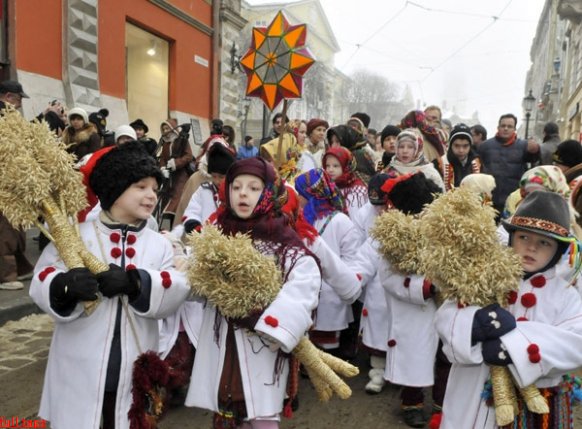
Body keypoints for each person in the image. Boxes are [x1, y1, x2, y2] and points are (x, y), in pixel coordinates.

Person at [29, 141, 190, 429]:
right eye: (141, 186)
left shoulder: (158, 245)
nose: (151, 195)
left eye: (154, 188)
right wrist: (64, 286)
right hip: (79, 367)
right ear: (114, 190)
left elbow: (177, 286)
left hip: (133, 368)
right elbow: (42, 277)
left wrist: (136, 282)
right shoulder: (77, 237)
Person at [185, 157, 321, 429]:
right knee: (226, 402)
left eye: (253, 187)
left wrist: (269, 320)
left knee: (260, 411)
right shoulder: (217, 233)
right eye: (236, 187)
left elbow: (304, 284)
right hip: (223, 342)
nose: (243, 194)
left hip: (262, 344)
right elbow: (196, 281)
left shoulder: (282, 240)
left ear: (268, 192)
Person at [435, 190, 582, 428]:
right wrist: (472, 323)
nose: (531, 248)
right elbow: (446, 315)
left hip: (538, 398)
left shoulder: (565, 293)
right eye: (524, 237)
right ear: (511, 237)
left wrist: (514, 346)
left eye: (544, 242)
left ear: (558, 250)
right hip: (474, 391)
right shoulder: (483, 273)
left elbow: (575, 342)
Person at [294, 168, 360, 356]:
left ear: (312, 194)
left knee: (328, 348)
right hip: (308, 291)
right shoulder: (301, 219)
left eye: (301, 193)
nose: (298, 198)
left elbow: (351, 258)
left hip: (332, 294)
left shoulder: (340, 221)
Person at [0, 80, 34, 290]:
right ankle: (7, 276)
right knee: (6, 228)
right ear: (8, 97)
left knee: (15, 226)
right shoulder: (4, 117)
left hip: (13, 180)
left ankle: (19, 269)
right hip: (5, 181)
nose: (20, 104)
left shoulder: (10, 117)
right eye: (19, 99)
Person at [478, 113, 540, 216]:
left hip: (513, 201)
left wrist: (536, 151)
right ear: (498, 127)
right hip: (489, 200)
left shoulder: (524, 146)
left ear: (514, 129)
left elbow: (534, 162)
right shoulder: (485, 146)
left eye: (509, 126)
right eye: (503, 126)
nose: (506, 129)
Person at [158, 118, 194, 228]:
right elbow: (163, 159)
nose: (165, 130)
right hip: (169, 180)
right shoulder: (165, 144)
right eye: (163, 129)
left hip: (181, 178)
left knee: (173, 206)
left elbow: (188, 156)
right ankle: (164, 230)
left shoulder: (182, 141)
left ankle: (168, 229)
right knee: (164, 203)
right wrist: (163, 168)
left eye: (167, 128)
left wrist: (176, 163)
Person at [322, 147, 368, 218]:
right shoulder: (327, 187)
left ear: (345, 167)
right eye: (327, 166)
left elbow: (355, 221)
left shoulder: (357, 190)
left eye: (335, 166)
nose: (330, 170)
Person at [440, 123, 482, 191]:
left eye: (465, 146)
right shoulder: (440, 164)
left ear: (470, 146)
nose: (461, 150)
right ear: (450, 145)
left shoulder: (478, 162)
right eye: (457, 145)